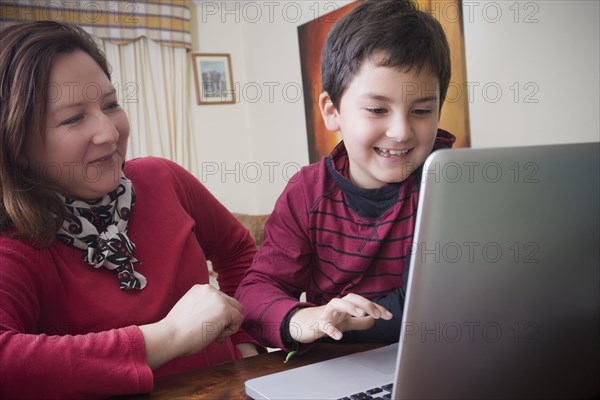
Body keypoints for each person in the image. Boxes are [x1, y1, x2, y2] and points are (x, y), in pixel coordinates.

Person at [0, 21, 259, 398]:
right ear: (17, 147)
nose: (109, 132)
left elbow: (238, 252)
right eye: (73, 118)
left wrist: (247, 345)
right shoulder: (16, 246)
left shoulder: (163, 178)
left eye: (111, 104)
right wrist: (169, 336)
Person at [235, 0, 456, 352]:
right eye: (377, 109)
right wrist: (302, 318)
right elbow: (255, 292)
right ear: (332, 112)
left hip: (436, 357)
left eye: (422, 110)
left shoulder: (450, 183)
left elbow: (446, 300)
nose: (401, 131)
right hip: (336, 361)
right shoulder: (307, 193)